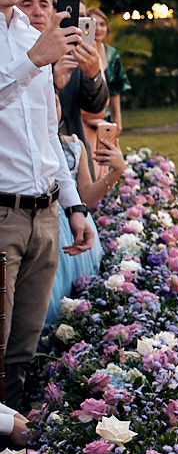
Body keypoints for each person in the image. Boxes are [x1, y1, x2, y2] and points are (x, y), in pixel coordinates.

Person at [0, 0, 94, 410]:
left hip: (43, 212)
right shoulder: (29, 47)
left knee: (23, 352)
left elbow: (47, 133)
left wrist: (74, 205)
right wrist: (35, 60)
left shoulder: (26, 32)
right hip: (1, 213)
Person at [43, 95, 123, 329]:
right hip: (44, 232)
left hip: (73, 230)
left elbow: (84, 197)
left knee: (74, 306)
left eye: (55, 102)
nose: (49, 108)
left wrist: (116, 171)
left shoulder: (74, 146)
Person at [17, 0, 108, 179]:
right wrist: (54, 87)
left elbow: (95, 106)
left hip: (72, 167)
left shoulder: (69, 52)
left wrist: (93, 75)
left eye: (43, 4)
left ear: (52, 11)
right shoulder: (10, 56)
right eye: (27, 4)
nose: (37, 12)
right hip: (26, 170)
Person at [90, 8, 131, 130]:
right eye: (94, 24)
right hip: (85, 118)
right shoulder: (79, 52)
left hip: (106, 120)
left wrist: (117, 119)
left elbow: (115, 91)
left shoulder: (111, 54)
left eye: (102, 24)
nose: (98, 28)